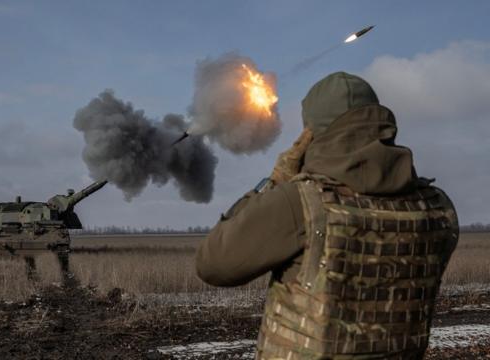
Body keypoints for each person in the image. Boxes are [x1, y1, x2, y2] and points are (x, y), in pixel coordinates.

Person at [196, 72, 459, 359]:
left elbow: (213, 264)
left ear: (311, 134)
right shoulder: (436, 207)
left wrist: (275, 182)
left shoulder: (300, 201)